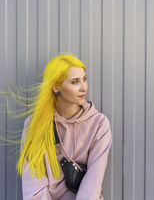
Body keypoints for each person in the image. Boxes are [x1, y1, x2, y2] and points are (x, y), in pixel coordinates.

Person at [17, 53, 112, 200]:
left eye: (84, 80)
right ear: (56, 87)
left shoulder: (99, 124)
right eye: (75, 82)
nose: (83, 88)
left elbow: (93, 183)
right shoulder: (35, 125)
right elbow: (33, 184)